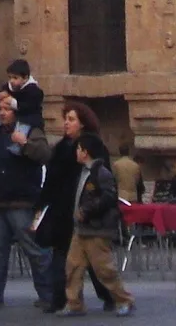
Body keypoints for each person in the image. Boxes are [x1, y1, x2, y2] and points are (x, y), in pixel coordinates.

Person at [0, 97, 53, 308]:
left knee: (35, 251)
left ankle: (49, 295)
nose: (2, 112)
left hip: (22, 202)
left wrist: (25, 144)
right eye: (0, 108)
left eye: (7, 109)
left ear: (16, 112)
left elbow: (44, 155)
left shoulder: (30, 131)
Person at [34, 101, 114, 314]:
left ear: (82, 123)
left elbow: (101, 181)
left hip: (85, 211)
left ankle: (112, 296)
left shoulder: (94, 148)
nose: (66, 124)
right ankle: (62, 299)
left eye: (71, 119)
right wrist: (41, 204)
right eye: (66, 119)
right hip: (62, 212)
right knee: (63, 260)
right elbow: (51, 180)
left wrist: (90, 207)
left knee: (95, 263)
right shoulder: (61, 148)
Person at [60, 136, 136, 317]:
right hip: (81, 229)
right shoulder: (83, 172)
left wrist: (87, 211)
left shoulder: (101, 173)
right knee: (73, 267)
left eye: (79, 149)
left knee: (104, 269)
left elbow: (109, 197)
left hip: (96, 229)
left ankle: (124, 299)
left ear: (85, 152)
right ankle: (74, 303)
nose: (76, 152)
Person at [0, 59, 45, 130]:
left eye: (15, 78)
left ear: (25, 78)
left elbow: (28, 107)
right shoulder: (8, 87)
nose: (11, 81)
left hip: (29, 122)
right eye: (10, 77)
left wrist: (12, 102)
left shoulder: (34, 91)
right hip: (12, 121)